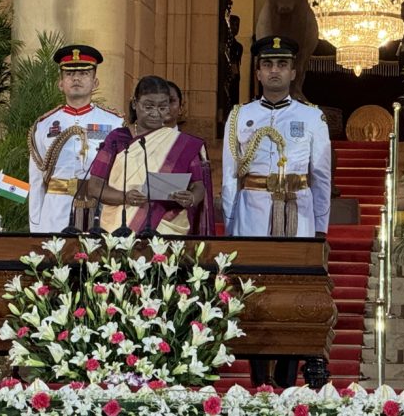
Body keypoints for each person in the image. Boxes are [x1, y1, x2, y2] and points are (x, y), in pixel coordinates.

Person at [222, 35, 331, 387]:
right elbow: (228, 175)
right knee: (255, 293)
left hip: (296, 210)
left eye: (282, 64)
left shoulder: (312, 117)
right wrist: (230, 225)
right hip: (252, 211)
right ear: (257, 72)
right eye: (268, 64)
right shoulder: (241, 116)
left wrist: (320, 229)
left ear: (293, 71)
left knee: (294, 292)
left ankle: (286, 378)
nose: (274, 70)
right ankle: (258, 379)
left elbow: (321, 176)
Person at [87, 75, 214, 235]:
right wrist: (125, 197)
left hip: (168, 228)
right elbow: (95, 187)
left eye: (162, 107)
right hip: (120, 226)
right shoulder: (118, 139)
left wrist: (191, 198)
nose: (155, 113)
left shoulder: (181, 143)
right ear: (135, 104)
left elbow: (199, 186)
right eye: (148, 106)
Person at [28, 44, 123, 233]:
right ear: (60, 82)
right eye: (69, 74)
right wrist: (36, 224)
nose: (76, 78)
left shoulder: (114, 123)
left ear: (95, 82)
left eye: (84, 73)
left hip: (100, 207)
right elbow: (36, 178)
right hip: (56, 209)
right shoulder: (45, 125)